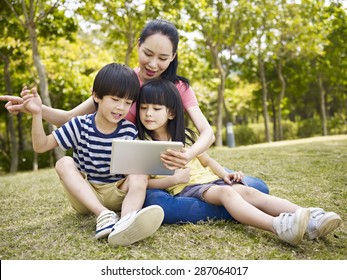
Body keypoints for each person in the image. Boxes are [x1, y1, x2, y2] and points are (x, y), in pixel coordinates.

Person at [1, 19, 269, 224]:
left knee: (254, 185)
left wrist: (188, 154)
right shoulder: (122, 84)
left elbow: (207, 132)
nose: (153, 63)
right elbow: (71, 118)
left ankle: (231, 202)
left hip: (167, 175)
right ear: (138, 45)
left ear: (173, 57)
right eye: (148, 53)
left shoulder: (178, 88)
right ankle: (234, 207)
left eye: (163, 58)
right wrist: (33, 110)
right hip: (128, 180)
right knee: (156, 202)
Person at [136, 78, 342, 246]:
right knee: (227, 193)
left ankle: (310, 217)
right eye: (144, 108)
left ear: (171, 112)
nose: (148, 113)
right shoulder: (144, 144)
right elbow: (144, 183)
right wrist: (172, 180)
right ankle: (277, 226)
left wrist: (224, 174)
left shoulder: (186, 137)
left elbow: (207, 161)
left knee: (249, 191)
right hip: (188, 188)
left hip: (210, 181)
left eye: (156, 108)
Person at [20, 63, 165, 246]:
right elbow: (41, 146)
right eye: (115, 99)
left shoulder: (129, 130)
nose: (121, 107)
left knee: (140, 170)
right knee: (64, 162)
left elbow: (137, 174)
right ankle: (102, 215)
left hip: (117, 191)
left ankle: (126, 221)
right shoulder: (80, 125)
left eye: (128, 103)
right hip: (86, 195)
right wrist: (36, 114)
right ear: (96, 95)